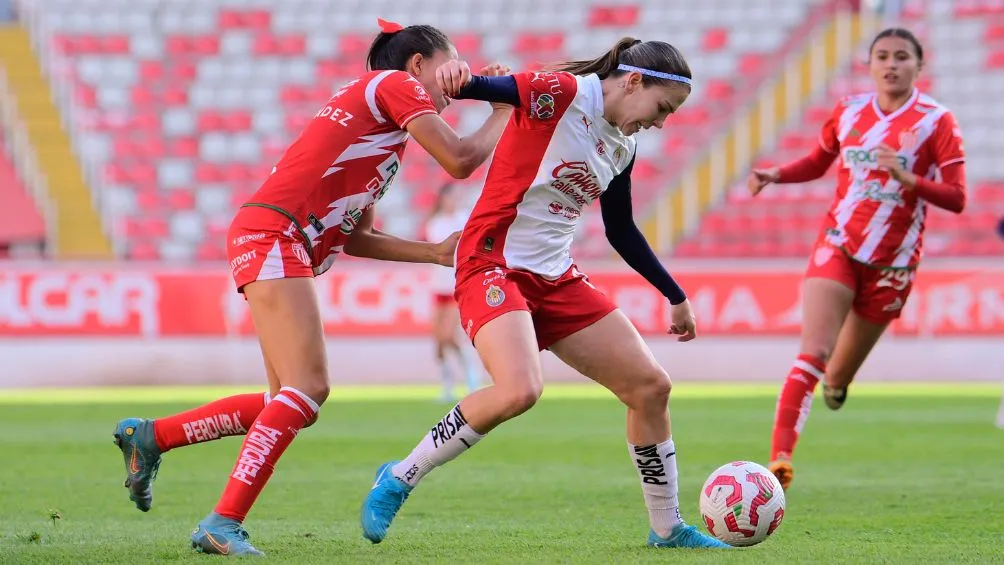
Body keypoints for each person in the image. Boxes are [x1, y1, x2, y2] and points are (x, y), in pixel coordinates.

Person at [111, 19, 513, 556]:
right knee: (309, 388)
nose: (454, 83)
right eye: (450, 65)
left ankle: (152, 437)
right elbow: (460, 160)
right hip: (276, 234)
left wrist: (435, 253)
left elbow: (359, 237)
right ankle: (221, 523)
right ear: (418, 64)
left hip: (271, 234)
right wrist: (502, 112)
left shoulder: (382, 131)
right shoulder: (395, 84)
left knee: (284, 399)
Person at [359, 37, 730, 550]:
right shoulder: (560, 92)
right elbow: (478, 86)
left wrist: (674, 294)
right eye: (663, 108)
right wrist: (457, 77)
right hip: (492, 263)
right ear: (633, 82)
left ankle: (667, 529)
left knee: (651, 388)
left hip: (556, 277)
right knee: (520, 390)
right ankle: (399, 476)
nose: (661, 123)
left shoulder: (623, 144)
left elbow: (621, 230)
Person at [746, 28, 967, 490]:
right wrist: (776, 174)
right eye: (882, 56)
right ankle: (780, 460)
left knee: (835, 379)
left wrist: (908, 178)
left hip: (893, 266)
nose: (891, 64)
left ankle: (838, 385)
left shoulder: (937, 121)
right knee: (813, 354)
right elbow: (818, 161)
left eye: (901, 56)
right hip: (839, 245)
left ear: (918, 66)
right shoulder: (848, 111)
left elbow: (957, 197)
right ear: (869, 65)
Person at [425, 183, 481, 400]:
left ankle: (471, 374)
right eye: (450, 197)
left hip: (455, 286)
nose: (454, 200)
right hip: (437, 286)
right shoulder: (435, 223)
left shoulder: (464, 219)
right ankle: (447, 385)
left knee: (449, 335)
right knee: (439, 341)